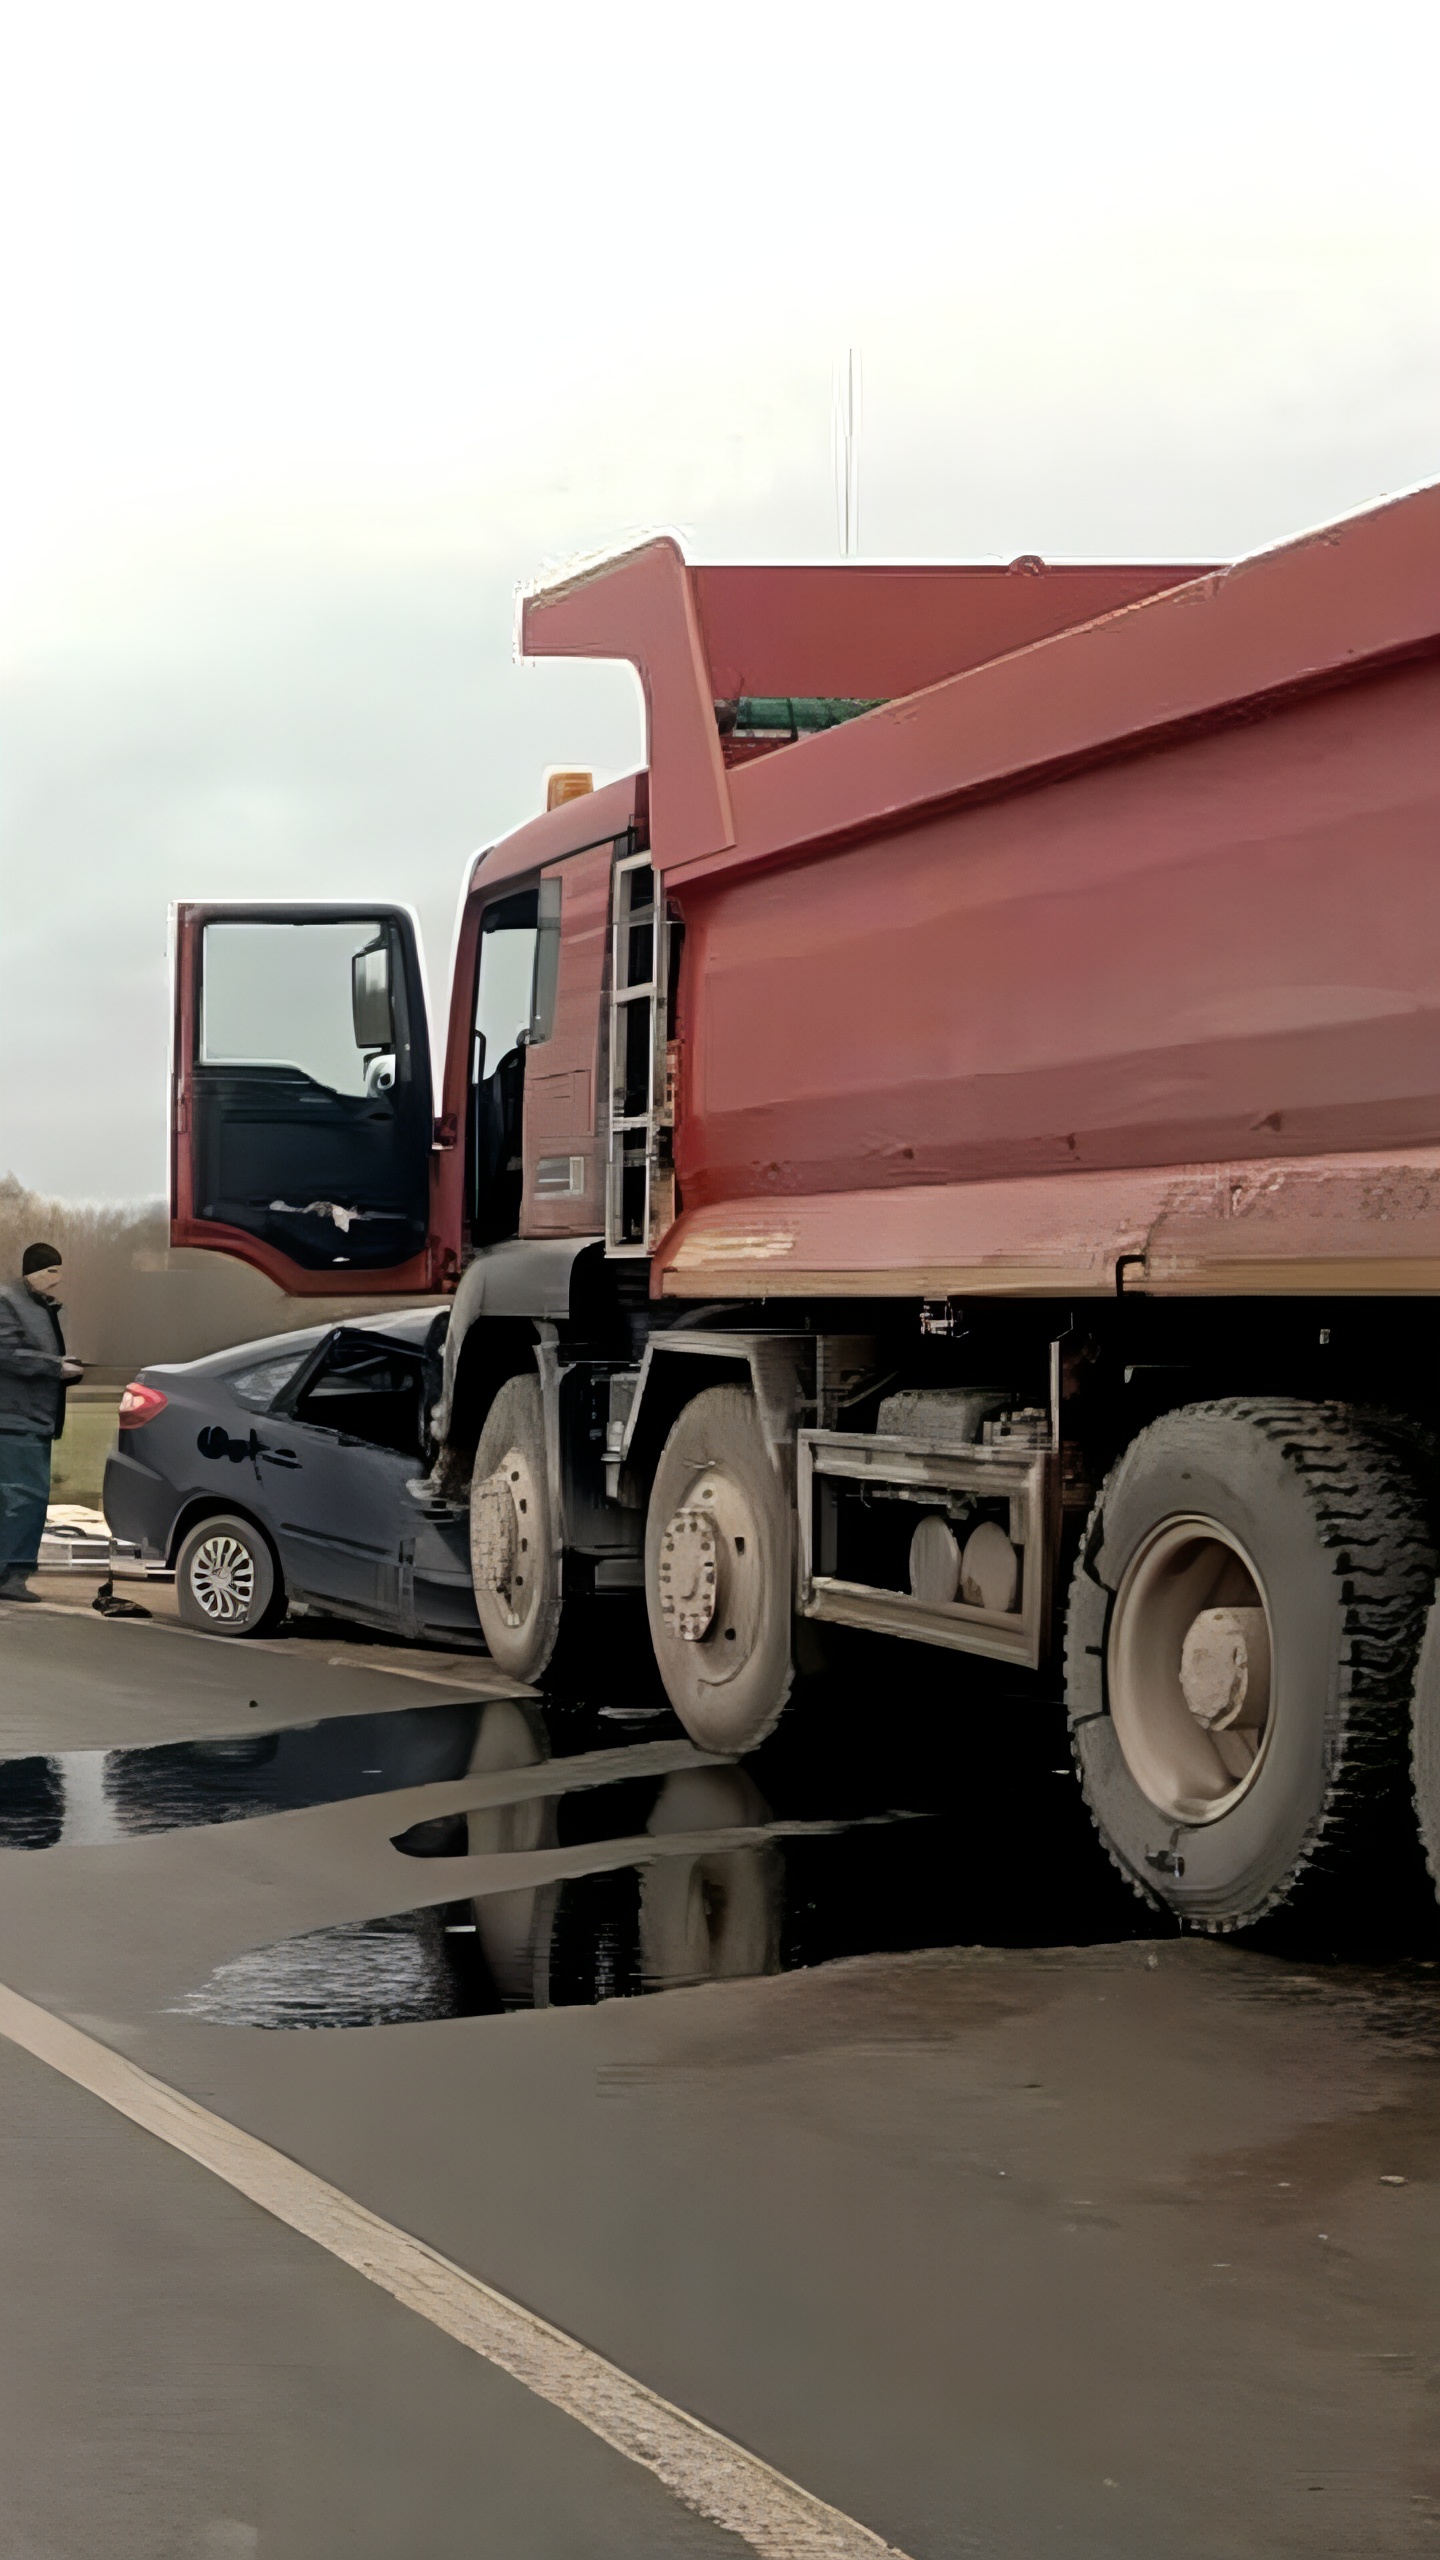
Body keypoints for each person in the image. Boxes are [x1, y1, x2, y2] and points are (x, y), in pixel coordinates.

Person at [0, 1243, 84, 1602]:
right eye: (51, 1271)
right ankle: (11, 1575)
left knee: (21, 1496)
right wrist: (55, 1367)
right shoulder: (8, 1302)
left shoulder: (44, 1307)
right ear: (32, 1271)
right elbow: (6, 1353)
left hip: (35, 1416)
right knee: (25, 1497)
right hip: (18, 1417)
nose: (58, 1279)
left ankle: (11, 1572)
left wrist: (66, 1368)